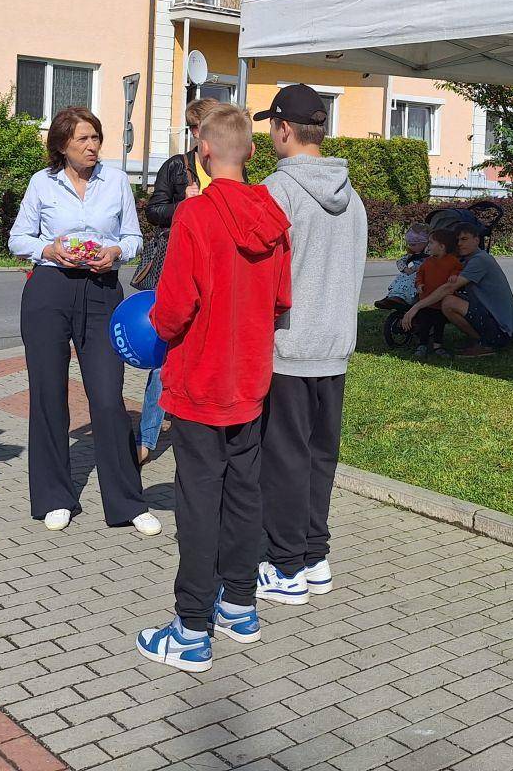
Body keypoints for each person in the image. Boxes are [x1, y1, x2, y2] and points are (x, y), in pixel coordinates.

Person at [136, 104, 292, 672]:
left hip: (200, 380)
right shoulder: (273, 215)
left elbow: (173, 309)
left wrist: (153, 331)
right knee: (244, 493)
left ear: (203, 151)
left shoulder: (195, 217)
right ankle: (240, 603)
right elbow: (280, 302)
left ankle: (192, 627)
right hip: (250, 377)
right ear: (251, 151)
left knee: (199, 501)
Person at [8, 106, 159, 536]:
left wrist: (116, 253)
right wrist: (50, 250)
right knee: (49, 394)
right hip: (50, 290)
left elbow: (133, 236)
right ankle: (55, 497)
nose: (92, 147)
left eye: (96, 138)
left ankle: (128, 501)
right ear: (62, 145)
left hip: (102, 291)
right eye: (82, 140)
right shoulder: (43, 183)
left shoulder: (116, 182)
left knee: (109, 398)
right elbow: (18, 237)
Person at [252, 84, 367, 606]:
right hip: (335, 345)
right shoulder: (355, 196)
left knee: (284, 460)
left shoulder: (277, 192)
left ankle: (285, 566)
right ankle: (315, 556)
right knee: (321, 457)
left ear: (282, 129)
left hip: (289, 345)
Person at [135, 97, 220, 465]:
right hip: (175, 267)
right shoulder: (176, 166)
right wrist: (184, 205)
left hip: (215, 270)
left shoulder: (230, 165)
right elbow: (154, 210)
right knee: (163, 354)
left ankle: (186, 417)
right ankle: (147, 438)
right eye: (200, 129)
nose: (203, 136)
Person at [408, 224, 513, 357]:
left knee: (448, 302)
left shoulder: (480, 260)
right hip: (501, 325)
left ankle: (486, 344)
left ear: (477, 240)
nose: (460, 244)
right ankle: (481, 340)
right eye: (458, 240)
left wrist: (416, 307)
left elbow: (449, 287)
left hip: (502, 331)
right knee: (450, 298)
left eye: (464, 239)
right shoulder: (470, 259)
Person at [396, 228, 462, 357]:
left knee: (439, 325)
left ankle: (438, 346)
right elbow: (420, 274)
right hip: (425, 301)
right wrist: (419, 284)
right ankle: (422, 344)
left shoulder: (452, 261)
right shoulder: (427, 262)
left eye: (431, 243)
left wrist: (454, 275)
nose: (428, 246)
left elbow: (458, 269)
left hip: (441, 303)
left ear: (442, 247)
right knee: (424, 324)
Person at [374, 225, 428, 310]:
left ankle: (404, 298)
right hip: (414, 270)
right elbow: (400, 261)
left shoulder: (430, 251)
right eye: (409, 244)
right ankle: (392, 296)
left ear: (425, 242)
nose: (410, 247)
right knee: (401, 276)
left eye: (413, 244)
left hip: (426, 273)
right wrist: (405, 269)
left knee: (412, 279)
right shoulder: (413, 253)